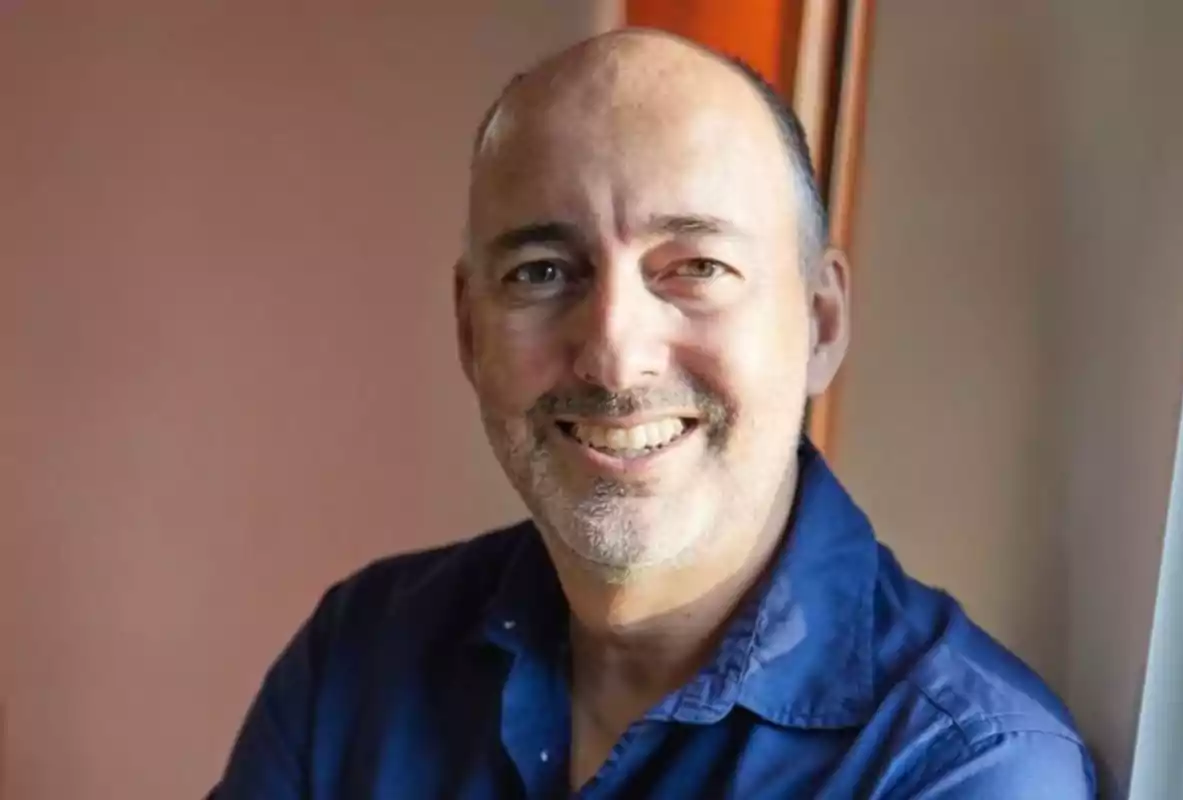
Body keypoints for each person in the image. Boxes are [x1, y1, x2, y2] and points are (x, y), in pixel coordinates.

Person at [212, 29, 1095, 798]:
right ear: (470, 333)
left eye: (696, 268)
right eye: (542, 272)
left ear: (822, 323)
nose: (614, 354)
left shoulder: (964, 767)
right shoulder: (360, 658)